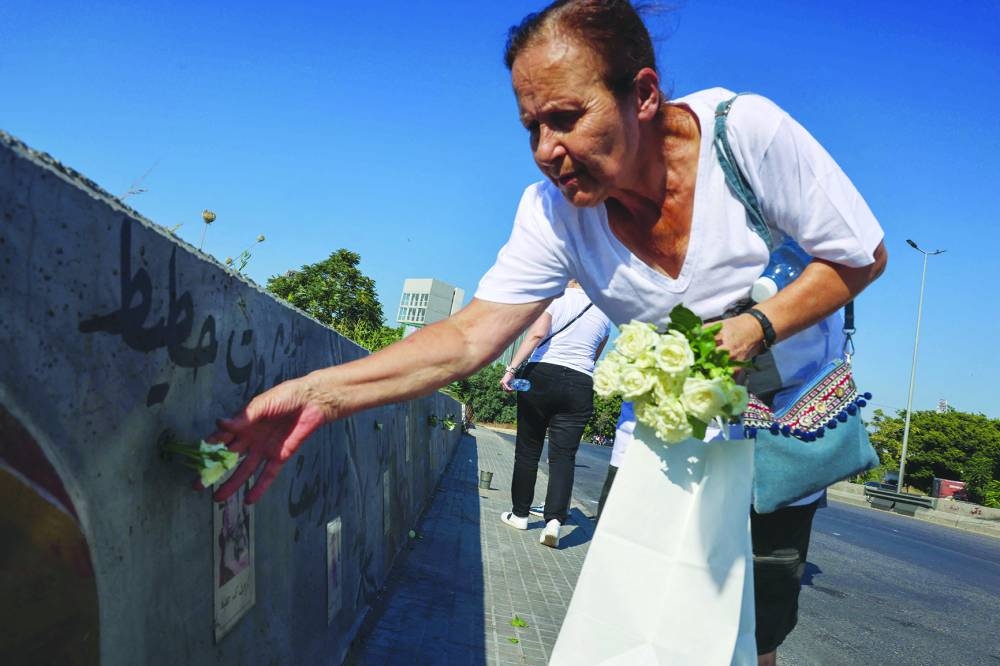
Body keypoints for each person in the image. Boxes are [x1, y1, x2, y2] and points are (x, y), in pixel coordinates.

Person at [208, 1, 887, 662]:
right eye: (531, 126)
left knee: (750, 632)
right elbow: (472, 337)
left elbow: (861, 252)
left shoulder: (746, 135)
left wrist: (757, 327)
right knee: (644, 619)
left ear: (643, 95)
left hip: (780, 435)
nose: (546, 151)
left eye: (565, 118)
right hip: (670, 442)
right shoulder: (556, 214)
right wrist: (323, 394)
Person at [498, 280, 610, 547]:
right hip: (581, 383)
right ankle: (554, 523)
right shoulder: (605, 313)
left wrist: (511, 369)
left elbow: (537, 335)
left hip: (541, 375)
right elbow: (594, 355)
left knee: (528, 449)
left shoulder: (555, 299)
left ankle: (521, 515)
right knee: (563, 457)